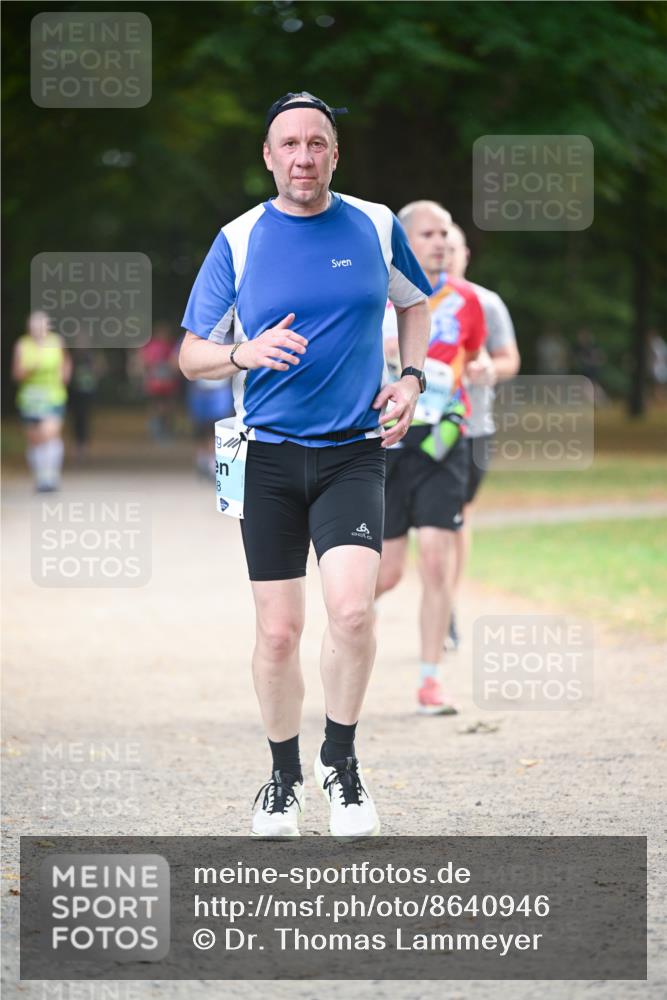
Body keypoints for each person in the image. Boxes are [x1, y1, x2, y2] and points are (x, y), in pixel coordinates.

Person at [179, 92, 431, 837]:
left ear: (333, 153)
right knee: (280, 631)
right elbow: (194, 353)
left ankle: (340, 763)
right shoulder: (240, 238)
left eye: (315, 143)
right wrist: (241, 352)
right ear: (268, 155)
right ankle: (282, 777)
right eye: (287, 144)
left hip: (355, 448)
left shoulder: (377, 225)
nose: (302, 156)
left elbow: (416, 303)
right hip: (263, 458)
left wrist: (411, 378)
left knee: (353, 610)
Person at [376, 201, 485, 715]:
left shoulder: (467, 299)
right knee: (389, 573)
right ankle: (344, 626)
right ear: (404, 240)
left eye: (445, 233)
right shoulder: (374, 292)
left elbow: (474, 355)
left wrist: (480, 366)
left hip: (444, 441)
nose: (441, 241)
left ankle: (430, 679)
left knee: (438, 560)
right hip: (387, 443)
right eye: (428, 233)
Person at [443, 223, 521, 649]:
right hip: (408, 430)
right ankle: (372, 597)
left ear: (466, 254)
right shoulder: (404, 301)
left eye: (452, 247)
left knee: (457, 520)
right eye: (436, 245)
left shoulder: (486, 303)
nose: (445, 254)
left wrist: (491, 369)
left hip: (470, 429)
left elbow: (510, 360)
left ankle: (448, 606)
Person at [12, 310, 71, 492]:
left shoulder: (56, 342)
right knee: (35, 439)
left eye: (41, 325)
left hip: (53, 396)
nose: (37, 329)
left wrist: (64, 376)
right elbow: (16, 374)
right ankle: (40, 477)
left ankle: (51, 475)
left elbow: (66, 362)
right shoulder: (22, 345)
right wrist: (31, 368)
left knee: (49, 433)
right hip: (30, 399)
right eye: (34, 325)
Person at [136, 322, 180, 442]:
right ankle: (157, 427)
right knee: (157, 407)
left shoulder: (170, 346)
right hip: (156, 384)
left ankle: (164, 428)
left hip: (167, 384)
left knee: (167, 407)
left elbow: (174, 363)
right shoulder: (153, 346)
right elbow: (143, 361)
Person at [186, 376, 234, 478]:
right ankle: (203, 458)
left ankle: (213, 460)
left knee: (217, 426)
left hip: (221, 388)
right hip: (200, 388)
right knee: (201, 428)